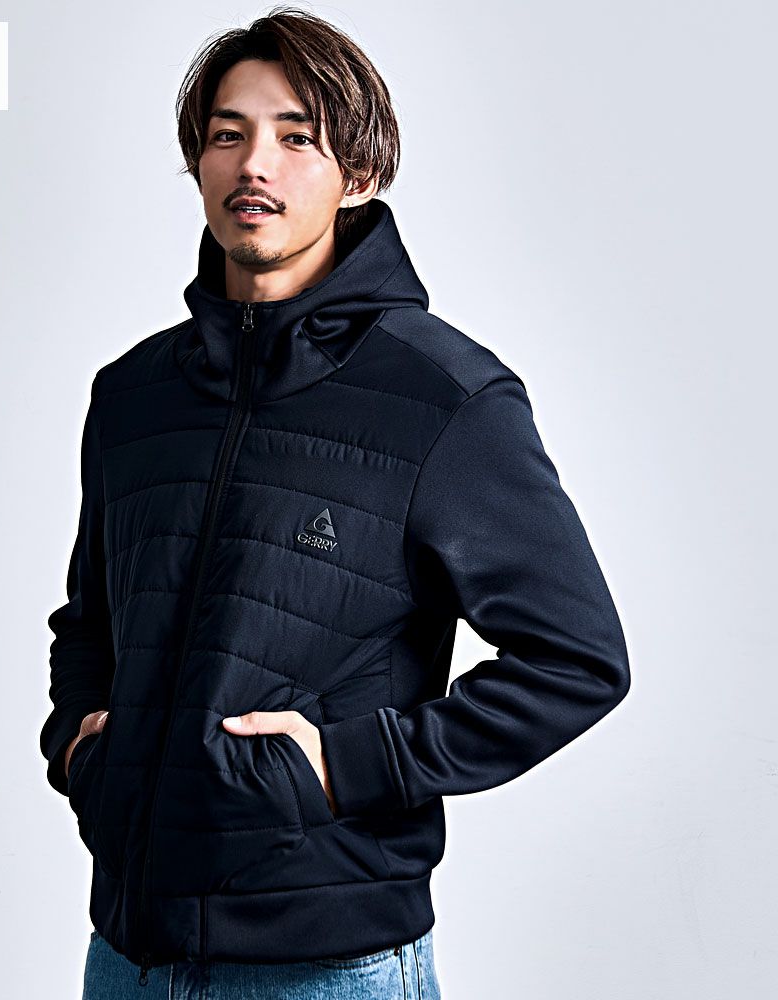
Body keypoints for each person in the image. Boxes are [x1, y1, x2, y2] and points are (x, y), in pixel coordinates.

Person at [39, 8, 631, 998]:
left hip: (328, 965)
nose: (253, 165)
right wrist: (78, 745)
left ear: (358, 172)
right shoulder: (134, 395)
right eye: (227, 134)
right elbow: (92, 619)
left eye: (296, 137)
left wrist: (347, 766)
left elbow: (578, 659)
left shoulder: (444, 398)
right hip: (126, 958)